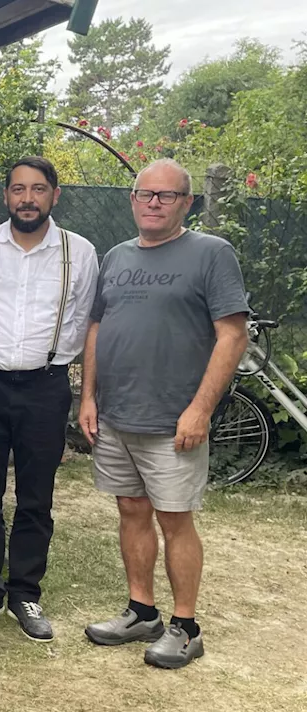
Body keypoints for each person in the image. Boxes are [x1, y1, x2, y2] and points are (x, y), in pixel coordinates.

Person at [80, 159, 248, 669]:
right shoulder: (116, 256)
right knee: (131, 512)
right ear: (132, 198)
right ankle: (141, 611)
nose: (153, 202)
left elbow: (232, 334)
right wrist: (88, 397)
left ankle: (185, 625)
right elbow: (96, 328)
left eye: (166, 196)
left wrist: (200, 409)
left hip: (174, 421)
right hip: (115, 415)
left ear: (186, 203)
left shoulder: (211, 254)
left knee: (176, 520)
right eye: (145, 193)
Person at [0, 156, 98, 642]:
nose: (27, 199)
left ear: (55, 195)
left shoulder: (80, 252)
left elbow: (82, 319)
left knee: (37, 494)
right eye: (18, 189)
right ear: (6, 195)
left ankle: (25, 593)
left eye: (37, 189)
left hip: (45, 384)